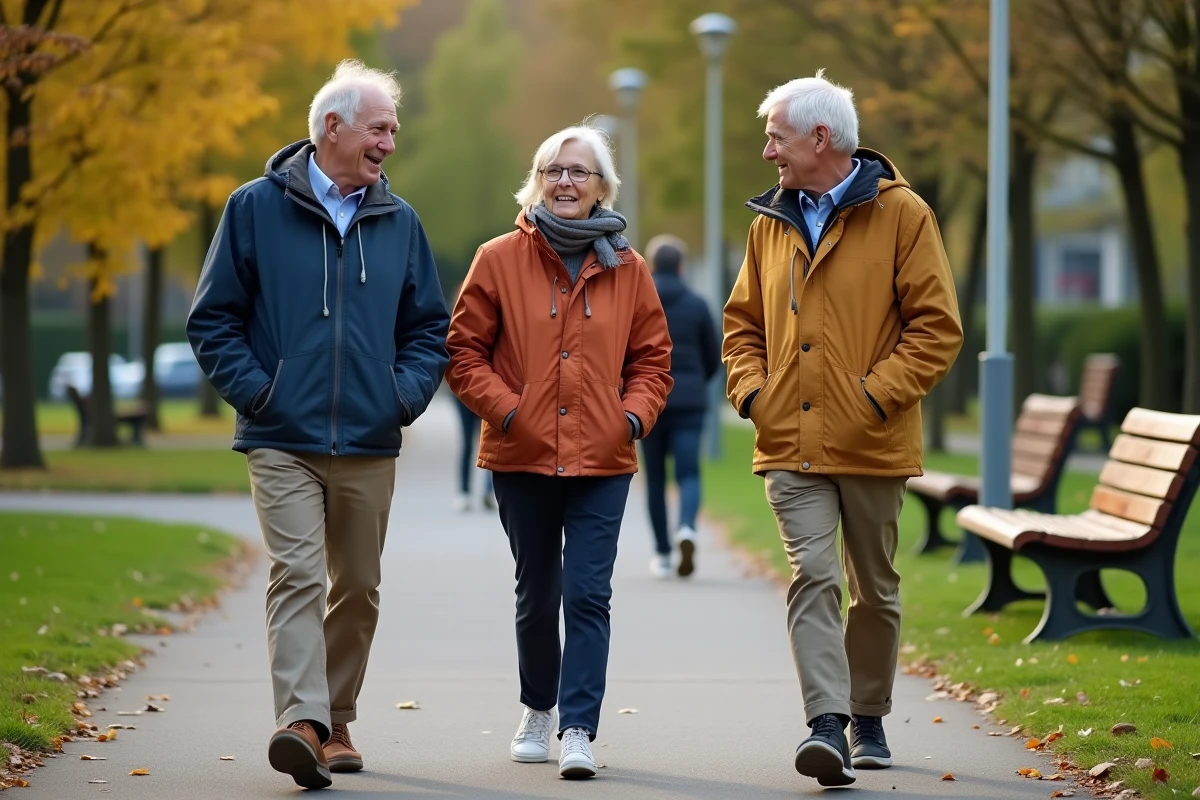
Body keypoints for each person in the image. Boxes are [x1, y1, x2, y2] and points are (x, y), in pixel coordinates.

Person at [187, 60, 450, 790]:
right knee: (298, 572)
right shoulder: (252, 208)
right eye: (380, 128)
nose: (390, 143)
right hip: (281, 436)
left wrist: (399, 397)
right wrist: (259, 393)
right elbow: (213, 319)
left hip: (369, 437)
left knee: (358, 585)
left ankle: (335, 717)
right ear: (331, 128)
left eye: (392, 130)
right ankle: (301, 722)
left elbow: (430, 328)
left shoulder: (401, 221)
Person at [722, 70, 962, 788]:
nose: (769, 154)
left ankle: (869, 715)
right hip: (788, 441)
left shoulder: (904, 214)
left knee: (875, 589)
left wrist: (872, 398)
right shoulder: (770, 220)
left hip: (872, 438)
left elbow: (936, 329)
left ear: (820, 138)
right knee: (813, 576)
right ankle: (826, 724)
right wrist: (754, 394)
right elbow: (741, 325)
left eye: (777, 138)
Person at [446, 123, 672, 780]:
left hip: (603, 457)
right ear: (537, 180)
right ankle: (537, 708)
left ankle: (578, 728)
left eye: (579, 171)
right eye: (554, 170)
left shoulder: (629, 269)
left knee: (589, 593)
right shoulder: (497, 259)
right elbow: (463, 353)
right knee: (537, 592)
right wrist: (509, 410)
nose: (565, 182)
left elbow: (653, 360)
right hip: (522, 454)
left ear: (602, 187)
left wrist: (630, 418)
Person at [640, 234, 720, 579]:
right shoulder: (698, 304)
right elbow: (714, 355)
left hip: (649, 402)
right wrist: (696, 384)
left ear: (652, 266)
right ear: (682, 267)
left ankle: (662, 553)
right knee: (689, 473)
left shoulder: (639, 303)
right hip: (690, 402)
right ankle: (687, 527)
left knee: (655, 479)